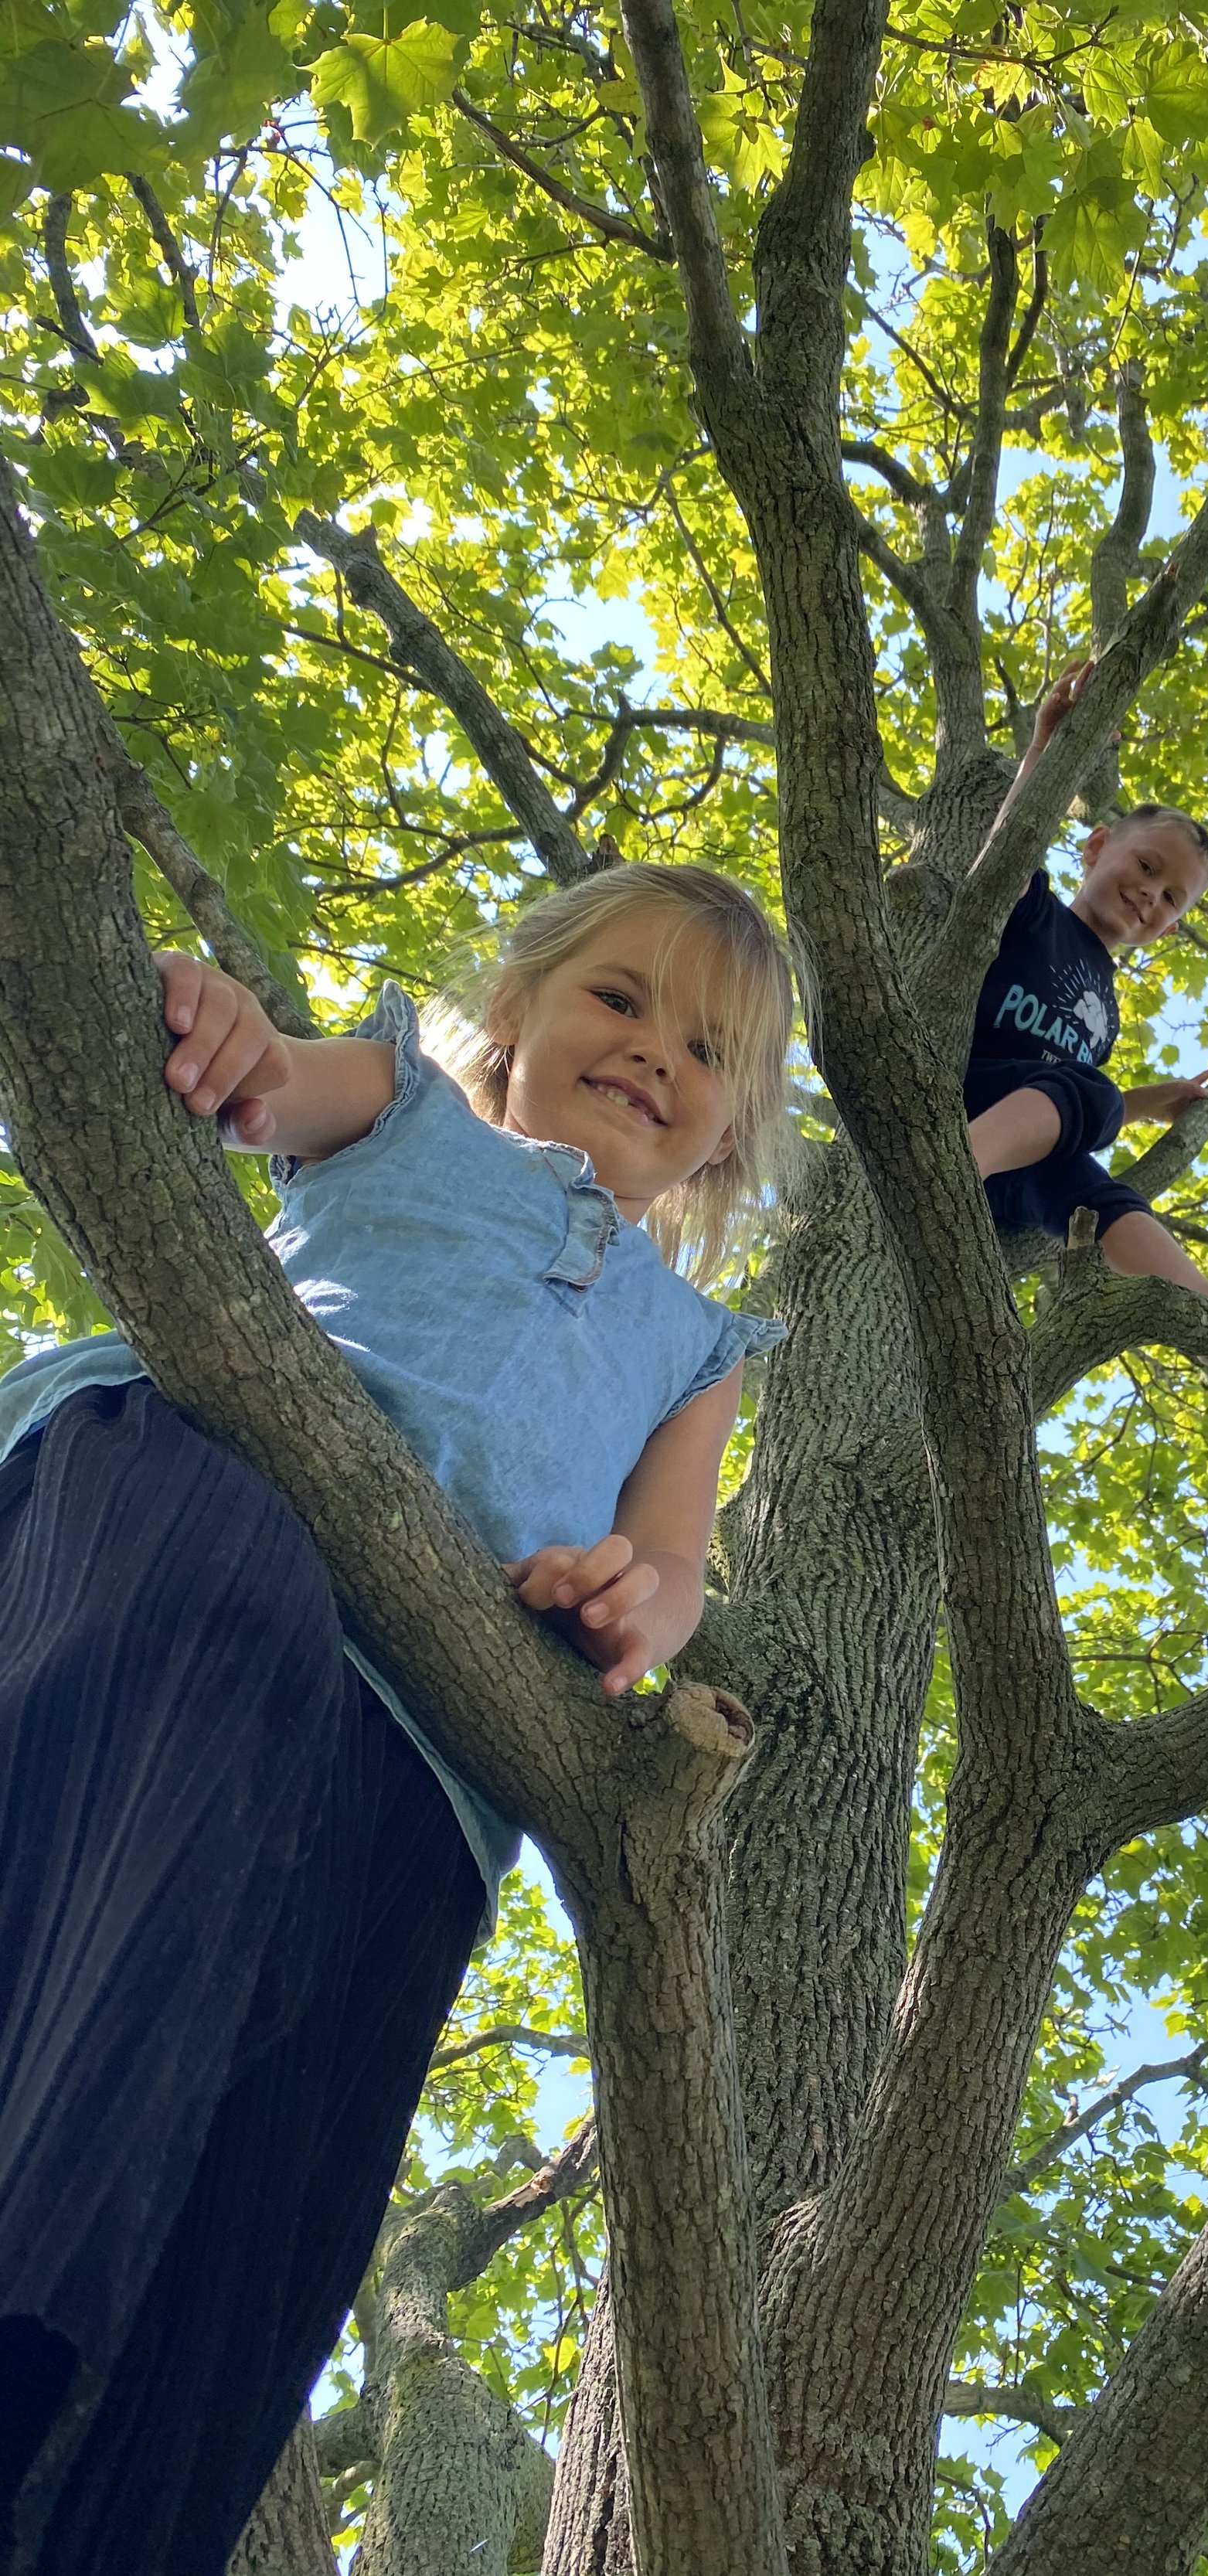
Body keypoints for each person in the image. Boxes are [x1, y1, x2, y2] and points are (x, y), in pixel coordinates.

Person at [0, 862, 792, 2575]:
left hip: (428, 1742)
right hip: (197, 1507)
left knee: (281, 2144)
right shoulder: (414, 1105)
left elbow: (667, 1565)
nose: (656, 1049)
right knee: (207, 1684)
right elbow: (265, 1080)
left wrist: (630, 1606)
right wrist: (207, 1023)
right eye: (618, 996)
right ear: (509, 1012)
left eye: (707, 1047)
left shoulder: (700, 1342)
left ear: (727, 1138)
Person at [968, 664, 1208, 1313]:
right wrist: (1046, 751)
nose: (1150, 894)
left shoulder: (1105, 1011)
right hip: (959, 1098)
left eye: (1171, 898)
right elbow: (1008, 851)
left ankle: (1207, 1306)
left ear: (1168, 929)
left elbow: (1068, 1107)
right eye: (1145, 865)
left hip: (1008, 1169)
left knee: (1095, 1188)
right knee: (1092, 1090)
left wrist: (1153, 1103)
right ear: (1096, 847)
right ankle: (950, 1172)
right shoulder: (1038, 911)